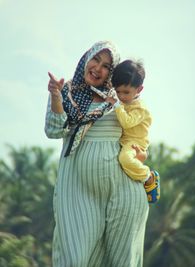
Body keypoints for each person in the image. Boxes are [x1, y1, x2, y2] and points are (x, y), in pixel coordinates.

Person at [45, 41, 149, 267]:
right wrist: (55, 97)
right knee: (76, 259)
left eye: (106, 66)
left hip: (124, 191)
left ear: (112, 72)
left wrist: (142, 156)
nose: (98, 68)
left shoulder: (120, 98)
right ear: (86, 59)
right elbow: (54, 131)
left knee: (122, 261)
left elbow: (139, 134)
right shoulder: (66, 93)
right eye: (96, 60)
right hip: (80, 192)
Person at [106, 59, 160, 203]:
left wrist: (117, 105)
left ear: (139, 89)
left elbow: (127, 122)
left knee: (125, 159)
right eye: (118, 92)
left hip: (134, 144)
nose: (121, 96)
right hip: (124, 142)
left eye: (126, 92)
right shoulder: (123, 101)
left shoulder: (140, 108)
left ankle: (148, 177)